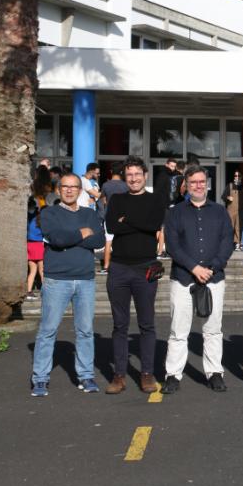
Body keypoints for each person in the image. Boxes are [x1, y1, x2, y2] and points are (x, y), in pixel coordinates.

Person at [30, 173, 106, 397]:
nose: (70, 190)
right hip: (57, 280)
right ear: (58, 189)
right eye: (65, 187)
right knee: (47, 331)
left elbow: (99, 240)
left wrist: (72, 237)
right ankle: (40, 379)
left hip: (85, 279)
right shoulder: (49, 212)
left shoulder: (89, 214)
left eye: (74, 187)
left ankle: (86, 375)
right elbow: (56, 239)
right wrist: (82, 234)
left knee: (85, 331)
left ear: (80, 190)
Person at [160, 166, 234, 395]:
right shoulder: (175, 212)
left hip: (213, 278)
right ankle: (173, 375)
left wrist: (211, 267)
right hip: (183, 278)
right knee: (178, 330)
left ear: (207, 183)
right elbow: (172, 245)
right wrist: (194, 267)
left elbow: (227, 242)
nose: (198, 186)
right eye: (193, 182)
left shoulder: (220, 212)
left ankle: (214, 373)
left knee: (213, 329)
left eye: (202, 181)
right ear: (186, 185)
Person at [104, 157, 168, 394]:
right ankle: (119, 375)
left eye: (137, 174)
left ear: (145, 175)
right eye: (129, 174)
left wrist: (127, 220)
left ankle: (147, 374)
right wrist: (137, 223)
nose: (133, 178)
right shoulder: (117, 199)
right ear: (125, 176)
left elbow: (153, 224)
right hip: (119, 269)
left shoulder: (155, 200)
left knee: (147, 324)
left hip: (145, 268)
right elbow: (112, 226)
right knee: (119, 325)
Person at [98, 168, 128, 274]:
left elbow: (103, 200)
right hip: (123, 217)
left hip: (109, 216)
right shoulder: (126, 185)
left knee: (108, 241)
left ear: (111, 172)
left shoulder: (106, 185)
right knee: (123, 241)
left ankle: (106, 266)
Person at [25, 196, 44, 300]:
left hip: (29, 244)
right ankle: (45, 291)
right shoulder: (39, 218)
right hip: (38, 244)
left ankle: (29, 291)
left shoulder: (26, 217)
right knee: (42, 270)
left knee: (32, 270)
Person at [224, 170, 243, 250]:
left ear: (241, 177)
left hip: (240, 210)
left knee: (239, 227)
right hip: (231, 210)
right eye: (235, 176)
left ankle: (237, 243)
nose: (237, 177)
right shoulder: (230, 186)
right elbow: (223, 196)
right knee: (230, 227)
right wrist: (228, 198)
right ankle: (228, 243)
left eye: (238, 176)